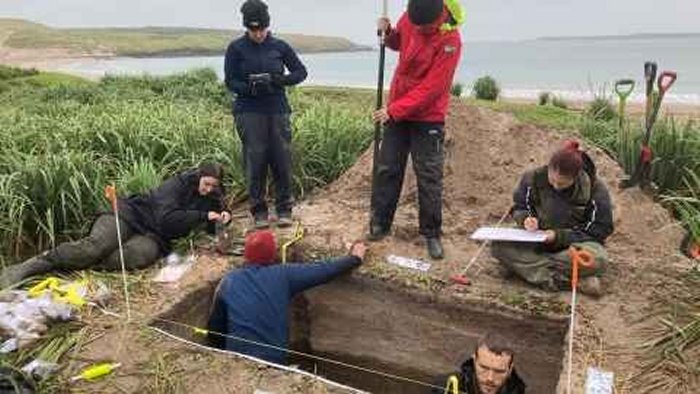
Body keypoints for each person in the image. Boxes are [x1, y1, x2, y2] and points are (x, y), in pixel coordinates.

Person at [0, 163, 231, 287]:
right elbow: (166, 218)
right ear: (200, 175)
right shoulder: (176, 184)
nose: (208, 190)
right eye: (206, 184)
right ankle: (35, 264)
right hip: (129, 214)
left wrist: (223, 217)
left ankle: (77, 266)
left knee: (134, 257)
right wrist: (203, 216)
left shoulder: (213, 196)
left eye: (213, 187)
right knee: (96, 246)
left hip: (154, 237)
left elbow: (212, 226)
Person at [369, 0, 464, 260]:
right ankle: (380, 222)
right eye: (415, 25)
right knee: (388, 167)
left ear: (438, 18)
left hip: (428, 117)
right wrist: (388, 34)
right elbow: (399, 42)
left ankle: (431, 233)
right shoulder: (412, 15)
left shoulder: (451, 40)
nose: (419, 30)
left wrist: (394, 110)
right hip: (398, 106)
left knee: (429, 176)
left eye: (425, 27)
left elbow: (433, 88)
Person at [207, 230, 366, 364]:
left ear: (246, 255)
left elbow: (215, 329)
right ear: (272, 255)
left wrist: (220, 355)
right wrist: (355, 258)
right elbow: (323, 270)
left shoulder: (229, 280)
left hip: (234, 358)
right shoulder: (283, 275)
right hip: (272, 360)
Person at [491, 140, 614, 297]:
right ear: (549, 168)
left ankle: (527, 268)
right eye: (552, 180)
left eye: (562, 183)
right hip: (536, 239)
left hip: (573, 246)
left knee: (598, 259)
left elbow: (599, 230)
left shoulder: (596, 189)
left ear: (575, 177)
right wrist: (527, 219)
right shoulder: (533, 178)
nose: (556, 186)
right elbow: (520, 206)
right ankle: (571, 281)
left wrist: (558, 236)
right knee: (499, 246)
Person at [224, 0, 308, 229]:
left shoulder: (280, 47)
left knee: (281, 159)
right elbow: (230, 81)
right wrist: (249, 87)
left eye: (261, 29)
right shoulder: (236, 48)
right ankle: (258, 211)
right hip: (248, 111)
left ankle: (284, 209)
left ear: (267, 26)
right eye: (253, 30)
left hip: (277, 110)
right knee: (255, 161)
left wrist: (278, 80)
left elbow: (301, 72)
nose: (258, 34)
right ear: (246, 28)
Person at [433, 333, 526, 394]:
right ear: (474, 361)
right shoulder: (443, 386)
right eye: (484, 368)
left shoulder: (518, 391)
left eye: (499, 371)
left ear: (510, 369)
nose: (490, 378)